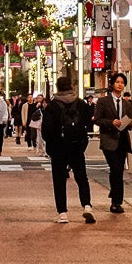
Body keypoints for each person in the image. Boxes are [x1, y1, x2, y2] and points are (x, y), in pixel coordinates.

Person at [41, 75, 95, 224]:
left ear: (58, 88)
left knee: (59, 180)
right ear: (71, 87)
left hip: (58, 147)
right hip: (76, 146)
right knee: (81, 177)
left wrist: (51, 147)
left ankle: (63, 213)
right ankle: (87, 205)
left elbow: (46, 130)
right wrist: (82, 143)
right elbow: (87, 122)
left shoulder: (52, 106)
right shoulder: (80, 104)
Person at [94, 73, 132, 214]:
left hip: (123, 139)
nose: (120, 84)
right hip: (109, 139)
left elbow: (130, 120)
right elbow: (97, 119)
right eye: (117, 82)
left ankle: (117, 200)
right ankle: (115, 201)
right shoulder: (103, 102)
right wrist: (111, 122)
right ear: (112, 84)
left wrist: (127, 123)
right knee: (115, 168)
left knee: (118, 171)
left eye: (122, 82)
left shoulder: (127, 104)